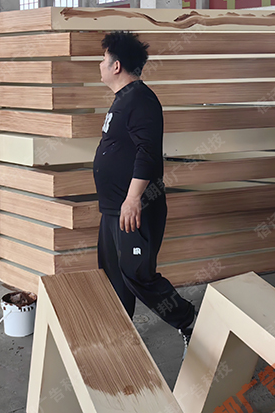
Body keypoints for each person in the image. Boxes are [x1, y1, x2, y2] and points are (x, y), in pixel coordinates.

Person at [93, 31, 195, 352]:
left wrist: (133, 197)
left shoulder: (140, 99)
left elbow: (148, 153)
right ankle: (121, 332)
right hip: (114, 208)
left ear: (116, 65)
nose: (100, 64)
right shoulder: (123, 99)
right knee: (113, 275)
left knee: (137, 273)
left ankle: (188, 320)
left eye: (103, 59)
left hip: (134, 207)